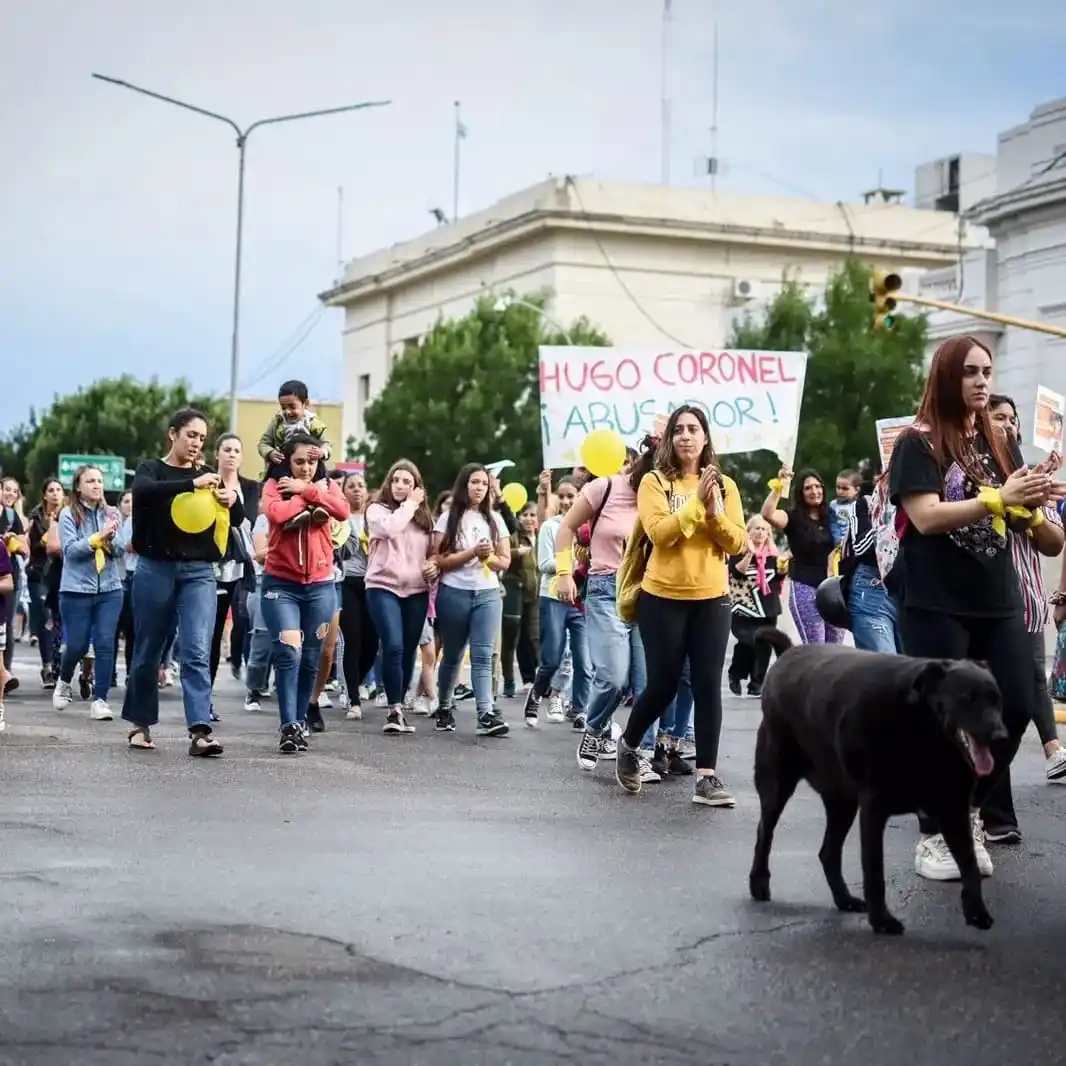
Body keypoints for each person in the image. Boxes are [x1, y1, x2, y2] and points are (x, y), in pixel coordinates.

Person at [888, 335, 1063, 881]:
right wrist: (997, 499)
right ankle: (934, 836)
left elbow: (1049, 539)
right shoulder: (918, 442)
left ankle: (964, 809)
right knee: (943, 719)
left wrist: (1032, 511)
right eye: (969, 372)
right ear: (947, 377)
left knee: (1015, 706)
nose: (982, 381)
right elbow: (926, 516)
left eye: (987, 371)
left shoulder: (1000, 441)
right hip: (934, 600)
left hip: (998, 599)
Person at [614, 405, 748, 805]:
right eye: (679, 430)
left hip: (712, 599)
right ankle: (629, 744)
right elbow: (660, 533)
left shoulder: (725, 485)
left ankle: (707, 778)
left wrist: (714, 512)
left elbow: (738, 543)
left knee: (707, 685)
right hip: (662, 598)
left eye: (693, 429)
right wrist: (697, 505)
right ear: (670, 440)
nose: (686, 436)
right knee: (663, 684)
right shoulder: (654, 482)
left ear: (705, 438)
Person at [122, 408, 240, 755]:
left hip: (199, 572)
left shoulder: (208, 474)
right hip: (155, 567)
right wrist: (191, 484)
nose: (196, 443)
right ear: (172, 434)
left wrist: (232, 500)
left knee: (197, 650)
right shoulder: (151, 469)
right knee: (148, 649)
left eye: (202, 438)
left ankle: (200, 731)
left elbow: (236, 518)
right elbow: (144, 492)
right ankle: (140, 724)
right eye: (191, 435)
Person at [260, 433, 350, 753]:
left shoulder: (327, 486)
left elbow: (342, 511)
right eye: (299, 462)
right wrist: (304, 495)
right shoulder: (274, 486)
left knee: (312, 656)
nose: (306, 468)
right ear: (287, 462)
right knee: (289, 652)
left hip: (321, 585)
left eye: (312, 462)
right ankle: (288, 725)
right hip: (280, 584)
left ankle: (298, 722)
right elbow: (277, 514)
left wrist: (309, 489)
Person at [433, 463, 511, 737]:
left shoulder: (495, 519)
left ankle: (485, 714)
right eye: (475, 482)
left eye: (484, 484)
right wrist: (472, 553)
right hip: (454, 592)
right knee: (453, 654)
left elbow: (505, 561)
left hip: (487, 593)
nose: (480, 488)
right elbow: (440, 559)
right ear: (464, 485)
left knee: (482, 655)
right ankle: (444, 706)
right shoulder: (448, 518)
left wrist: (488, 557)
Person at [364, 460, 436, 735]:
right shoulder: (376, 510)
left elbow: (433, 552)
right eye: (396, 480)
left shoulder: (424, 520)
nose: (400, 485)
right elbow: (390, 529)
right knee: (393, 645)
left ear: (416, 486)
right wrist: (411, 504)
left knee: (408, 648)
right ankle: (394, 709)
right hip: (382, 586)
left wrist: (433, 566)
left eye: (407, 481)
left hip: (416, 590)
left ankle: (400, 704)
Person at [52, 465, 125, 721]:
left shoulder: (112, 513)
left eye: (99, 481)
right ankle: (64, 680)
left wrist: (111, 538)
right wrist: (97, 538)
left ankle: (100, 700)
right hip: (76, 589)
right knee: (78, 644)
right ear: (78, 486)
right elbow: (71, 551)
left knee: (105, 643)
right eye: (90, 481)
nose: (96, 485)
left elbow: (120, 550)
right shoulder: (68, 514)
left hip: (110, 588)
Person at [257, 380, 332, 528]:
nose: (287, 412)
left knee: (322, 479)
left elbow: (327, 444)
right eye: (283, 407)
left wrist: (322, 452)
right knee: (284, 483)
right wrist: (270, 452)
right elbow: (263, 443)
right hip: (284, 462)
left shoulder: (313, 422)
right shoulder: (278, 422)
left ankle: (319, 509)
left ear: (305, 404)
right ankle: (293, 515)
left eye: (292, 407)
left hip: (310, 463)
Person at [727, 515, 786, 697]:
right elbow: (737, 573)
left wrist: (783, 568)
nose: (761, 533)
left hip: (767, 607)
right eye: (757, 529)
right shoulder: (738, 552)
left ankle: (757, 683)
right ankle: (736, 674)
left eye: (764, 530)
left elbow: (778, 578)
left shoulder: (774, 556)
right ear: (749, 531)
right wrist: (750, 553)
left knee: (764, 645)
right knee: (747, 642)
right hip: (744, 607)